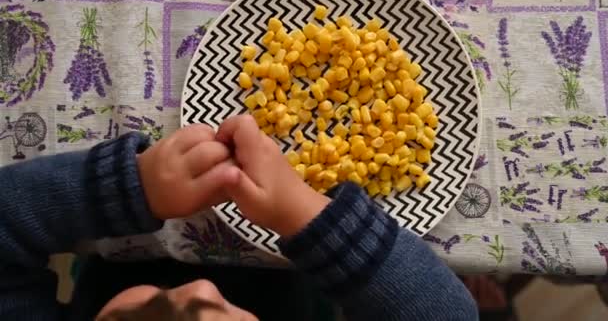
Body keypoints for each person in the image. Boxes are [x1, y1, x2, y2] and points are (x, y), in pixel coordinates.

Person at [0, 114, 478, 321]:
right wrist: (303, 211)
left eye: (142, 314)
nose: (204, 288)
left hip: (119, 255)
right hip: (304, 283)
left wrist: (126, 188)